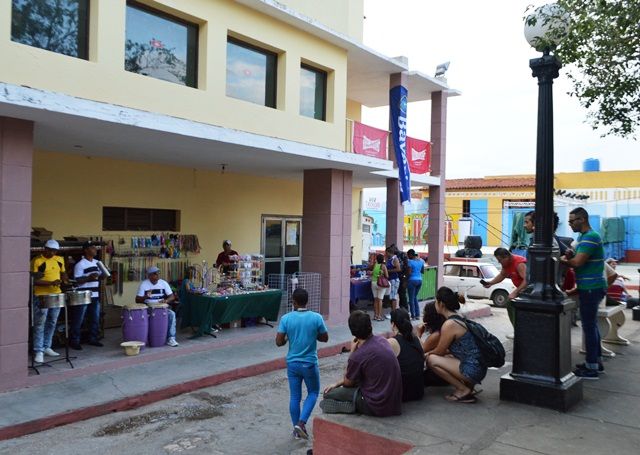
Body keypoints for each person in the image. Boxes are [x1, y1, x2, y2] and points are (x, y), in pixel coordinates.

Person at [320, 310, 402, 416]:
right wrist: (337, 383)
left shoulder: (357, 356)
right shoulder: (383, 341)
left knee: (328, 394)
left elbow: (348, 383)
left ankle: (355, 404)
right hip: (394, 403)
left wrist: (352, 352)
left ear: (353, 333)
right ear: (371, 326)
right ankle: (353, 402)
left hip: (375, 405)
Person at [276, 288, 328, 440]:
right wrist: (313, 334)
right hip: (309, 363)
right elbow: (325, 338)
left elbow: (279, 342)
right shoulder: (316, 318)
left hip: (292, 363)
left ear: (293, 302)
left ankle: (296, 429)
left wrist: (287, 338)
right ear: (307, 301)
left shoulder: (286, 318)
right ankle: (301, 422)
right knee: (313, 392)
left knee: (295, 397)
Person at [560, 207, 606, 379]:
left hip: (591, 288)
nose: (570, 224)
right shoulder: (583, 238)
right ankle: (595, 362)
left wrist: (563, 260)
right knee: (591, 326)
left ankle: (592, 368)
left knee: (588, 326)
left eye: (572, 221)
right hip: (589, 287)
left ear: (583, 219)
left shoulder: (590, 237)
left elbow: (578, 263)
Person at [426, 287, 486, 403]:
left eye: (436, 302)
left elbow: (439, 351)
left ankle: (462, 389)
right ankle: (469, 387)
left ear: (441, 304)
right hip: (479, 367)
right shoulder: (459, 318)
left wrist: (427, 354)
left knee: (431, 359)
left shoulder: (449, 324)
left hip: (473, 369)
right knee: (447, 357)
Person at [31, 239, 69, 364]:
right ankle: (38, 350)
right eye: (50, 250)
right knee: (40, 323)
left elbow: (63, 273)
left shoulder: (59, 260)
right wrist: (51, 283)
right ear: (45, 249)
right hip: (41, 295)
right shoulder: (37, 261)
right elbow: (34, 281)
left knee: (52, 321)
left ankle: (47, 346)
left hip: (56, 294)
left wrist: (64, 279)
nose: (52, 253)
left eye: (54, 251)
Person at [70, 241, 105, 350]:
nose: (95, 250)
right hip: (83, 295)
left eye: (95, 248)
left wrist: (104, 274)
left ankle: (93, 338)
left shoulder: (98, 262)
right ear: (86, 250)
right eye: (93, 248)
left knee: (95, 318)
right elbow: (77, 281)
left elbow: (101, 277)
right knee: (79, 319)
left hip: (95, 294)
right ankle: (75, 341)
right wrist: (89, 278)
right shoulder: (80, 264)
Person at [482, 248, 527, 329]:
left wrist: (515, 292)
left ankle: (519, 329)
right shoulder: (506, 265)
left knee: (511, 304)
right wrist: (491, 283)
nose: (499, 262)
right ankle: (517, 329)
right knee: (510, 304)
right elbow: (502, 275)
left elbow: (527, 280)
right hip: (522, 290)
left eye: (500, 260)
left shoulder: (519, 263)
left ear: (507, 257)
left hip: (528, 291)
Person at [135, 266, 179, 347]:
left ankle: (171, 338)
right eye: (155, 273)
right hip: (149, 308)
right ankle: (146, 338)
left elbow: (172, 296)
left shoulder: (163, 283)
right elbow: (137, 300)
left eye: (158, 273)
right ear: (150, 275)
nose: (157, 275)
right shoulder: (144, 284)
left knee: (172, 314)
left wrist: (166, 301)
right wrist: (146, 297)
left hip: (162, 308)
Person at [387, 308, 424, 402]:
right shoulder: (417, 339)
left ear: (393, 324)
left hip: (402, 393)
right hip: (418, 391)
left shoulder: (392, 342)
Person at [418, 303, 449, 387]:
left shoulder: (436, 335)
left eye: (424, 313)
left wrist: (418, 335)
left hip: (440, 373)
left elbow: (420, 351)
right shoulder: (443, 329)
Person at [369, 253, 389, 321]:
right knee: (380, 300)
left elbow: (371, 272)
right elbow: (387, 276)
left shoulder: (375, 265)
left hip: (373, 283)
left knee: (375, 300)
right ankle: (379, 316)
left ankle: (375, 315)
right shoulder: (383, 266)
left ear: (377, 259)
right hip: (380, 284)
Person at [384, 246, 402, 319]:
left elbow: (398, 269)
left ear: (388, 252)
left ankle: (393, 314)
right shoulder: (389, 259)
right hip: (390, 279)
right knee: (391, 296)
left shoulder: (395, 259)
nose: (385, 254)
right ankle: (392, 312)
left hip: (394, 280)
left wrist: (387, 271)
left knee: (393, 296)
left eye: (386, 253)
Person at [406, 249, 424, 320]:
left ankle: (413, 316)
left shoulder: (410, 262)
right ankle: (417, 315)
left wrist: (405, 279)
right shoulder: (421, 261)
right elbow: (422, 271)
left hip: (412, 281)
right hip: (419, 280)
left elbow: (409, 273)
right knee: (414, 297)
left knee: (411, 299)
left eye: (408, 255)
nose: (407, 257)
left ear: (411, 255)